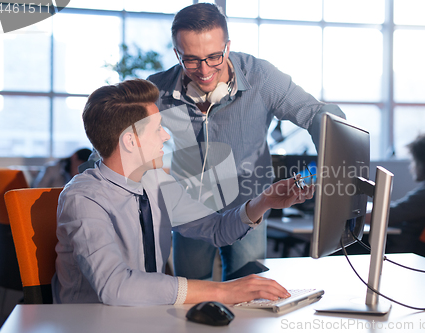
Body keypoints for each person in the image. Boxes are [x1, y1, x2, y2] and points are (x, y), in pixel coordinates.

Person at [51, 79, 314, 306]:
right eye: (157, 129)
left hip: (147, 316)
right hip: (91, 323)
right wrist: (222, 291)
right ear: (130, 141)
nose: (166, 136)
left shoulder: (155, 182)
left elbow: (216, 229)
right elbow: (115, 286)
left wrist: (264, 201)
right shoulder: (83, 198)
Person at [147, 3, 345, 281]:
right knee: (190, 297)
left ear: (228, 47)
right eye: (190, 59)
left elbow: (315, 113)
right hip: (191, 210)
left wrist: (337, 156)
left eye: (214, 57)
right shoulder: (159, 89)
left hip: (251, 204)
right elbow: (119, 135)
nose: (204, 71)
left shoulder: (262, 78)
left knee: (249, 294)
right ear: (176, 53)